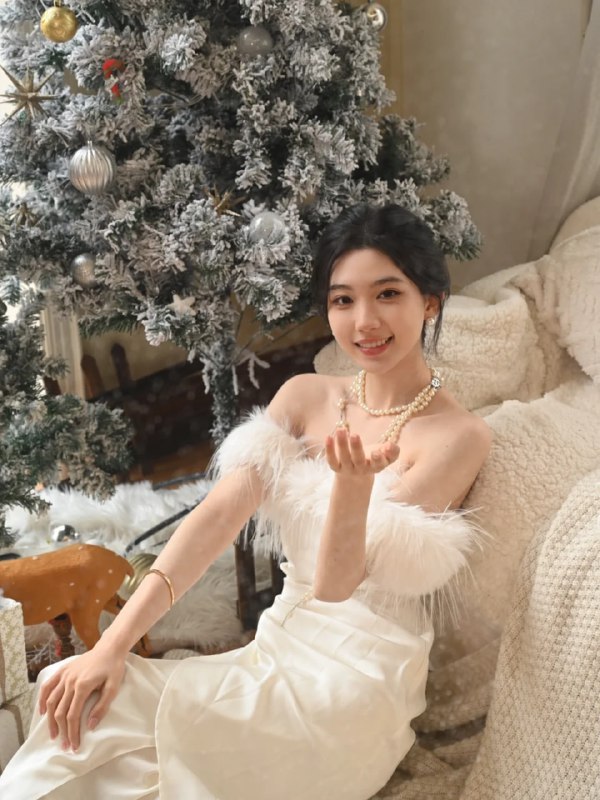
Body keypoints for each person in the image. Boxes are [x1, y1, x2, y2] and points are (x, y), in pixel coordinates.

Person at [0, 203, 492, 800]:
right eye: (343, 300)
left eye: (388, 294)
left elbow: (338, 586)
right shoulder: (306, 395)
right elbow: (214, 519)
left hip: (356, 683)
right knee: (87, 700)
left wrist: (354, 490)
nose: (365, 321)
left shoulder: (456, 436)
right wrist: (111, 646)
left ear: (430, 301)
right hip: (277, 648)